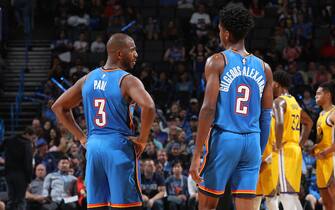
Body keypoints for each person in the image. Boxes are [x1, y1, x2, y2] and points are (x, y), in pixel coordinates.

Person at [52, 33, 156, 210]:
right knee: (127, 207)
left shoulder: (88, 78)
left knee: (97, 206)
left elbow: (58, 107)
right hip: (118, 147)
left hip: (93, 148)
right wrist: (142, 140)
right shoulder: (128, 80)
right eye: (132, 50)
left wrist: (81, 137)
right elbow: (149, 107)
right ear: (119, 53)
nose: (136, 54)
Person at [189, 4, 273, 210]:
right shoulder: (265, 68)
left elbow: (208, 109)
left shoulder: (217, 61)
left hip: (226, 138)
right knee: (246, 205)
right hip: (252, 140)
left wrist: (197, 153)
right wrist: (259, 152)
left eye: (219, 30)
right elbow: (266, 115)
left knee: (207, 205)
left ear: (226, 33)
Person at [272, 70, 313, 210]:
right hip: (295, 149)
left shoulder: (278, 101)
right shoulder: (294, 101)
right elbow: (308, 123)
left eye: (271, 83)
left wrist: (277, 145)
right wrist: (299, 144)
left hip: (284, 150)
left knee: (285, 194)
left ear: (276, 84)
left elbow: (279, 123)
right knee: (292, 195)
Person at [313, 82, 335, 210]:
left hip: (332, 159)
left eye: (318, 93)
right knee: (326, 202)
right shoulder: (321, 115)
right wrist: (315, 147)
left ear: (328, 95)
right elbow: (321, 138)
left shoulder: (334, 112)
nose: (315, 96)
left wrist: (327, 151)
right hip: (321, 160)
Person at [3, 126, 35, 210]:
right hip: (21, 176)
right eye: (33, 137)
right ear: (28, 134)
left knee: (11, 200)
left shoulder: (9, 140)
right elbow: (28, 164)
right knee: (21, 200)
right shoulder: (27, 144)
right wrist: (29, 180)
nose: (33, 140)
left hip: (8, 174)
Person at [255, 114, 280, 210]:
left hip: (270, 160)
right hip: (256, 160)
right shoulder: (255, 115)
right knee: (255, 198)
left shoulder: (274, 117)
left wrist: (269, 159)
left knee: (271, 199)